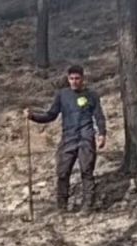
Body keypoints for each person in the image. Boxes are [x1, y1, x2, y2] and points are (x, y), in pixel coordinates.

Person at [24, 64, 107, 211]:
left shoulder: (91, 95)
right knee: (63, 172)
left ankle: (87, 206)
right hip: (68, 138)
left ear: (83, 79)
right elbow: (51, 115)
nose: (74, 81)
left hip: (86, 138)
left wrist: (102, 134)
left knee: (86, 171)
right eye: (71, 78)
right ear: (68, 79)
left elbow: (99, 116)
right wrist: (33, 116)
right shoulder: (62, 95)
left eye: (77, 78)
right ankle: (62, 207)